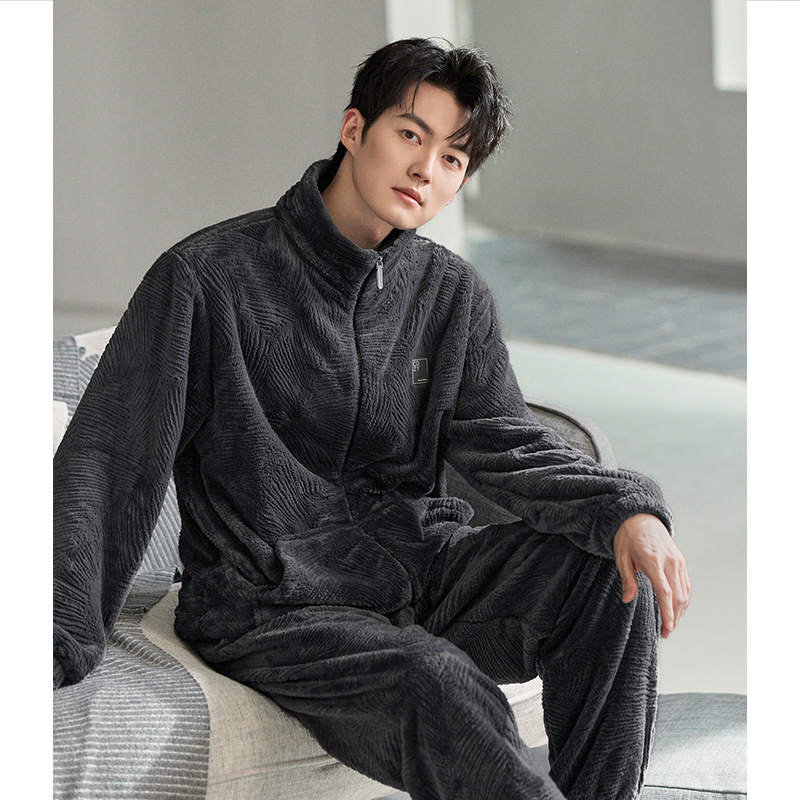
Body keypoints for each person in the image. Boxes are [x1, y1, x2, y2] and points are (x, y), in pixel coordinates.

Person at [54, 37, 690, 800]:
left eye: (452, 159)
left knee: (613, 581)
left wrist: (626, 509)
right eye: (410, 135)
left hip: (422, 568)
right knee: (439, 683)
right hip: (274, 605)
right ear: (354, 129)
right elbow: (110, 462)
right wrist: (56, 638)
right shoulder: (208, 279)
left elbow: (503, 442)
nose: (425, 169)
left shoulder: (450, 294)